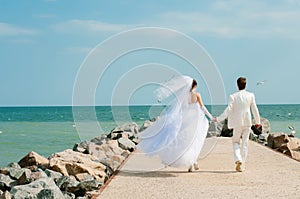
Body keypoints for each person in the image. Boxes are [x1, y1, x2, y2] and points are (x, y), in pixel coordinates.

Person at [138, 76, 214, 172]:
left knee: (185, 142)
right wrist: (211, 117)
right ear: (194, 86)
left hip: (185, 121)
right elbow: (203, 108)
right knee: (194, 142)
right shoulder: (197, 95)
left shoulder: (183, 97)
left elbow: (180, 110)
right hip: (195, 121)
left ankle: (193, 162)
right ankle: (192, 163)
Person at [214, 77, 261, 172]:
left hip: (237, 123)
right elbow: (254, 109)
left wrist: (219, 118)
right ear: (245, 85)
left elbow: (229, 109)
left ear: (237, 85)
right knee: (245, 144)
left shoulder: (233, 96)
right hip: (247, 122)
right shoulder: (251, 95)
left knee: (235, 142)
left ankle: (238, 159)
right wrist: (258, 121)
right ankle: (242, 165)